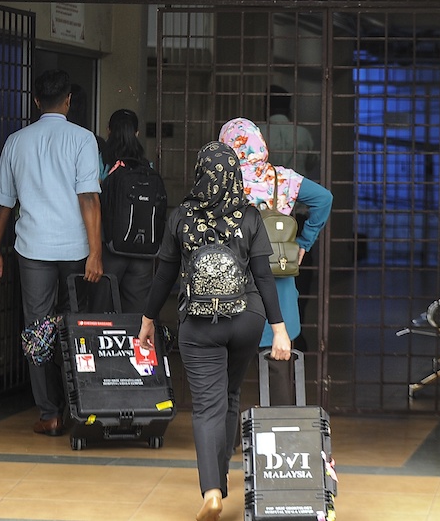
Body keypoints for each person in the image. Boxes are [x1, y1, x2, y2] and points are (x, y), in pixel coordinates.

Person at [137, 142, 291, 521]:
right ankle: (221, 472)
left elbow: (165, 276)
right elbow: (264, 277)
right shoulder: (250, 216)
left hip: (200, 323)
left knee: (207, 406)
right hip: (247, 320)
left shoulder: (181, 217)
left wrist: (148, 319)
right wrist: (280, 330)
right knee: (231, 392)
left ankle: (213, 492)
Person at [0, 69, 104, 437]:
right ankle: (80, 406)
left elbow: (3, 203)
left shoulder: (16, 142)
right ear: (68, 100)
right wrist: (96, 253)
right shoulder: (83, 140)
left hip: (32, 249)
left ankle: (49, 413)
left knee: (37, 329)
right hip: (75, 250)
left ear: (36, 101)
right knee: (76, 325)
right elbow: (89, 199)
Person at [218, 117, 332, 355]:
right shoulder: (283, 178)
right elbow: (324, 199)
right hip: (276, 272)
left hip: (235, 277)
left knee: (229, 365)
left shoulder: (223, 180)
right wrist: (304, 242)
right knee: (278, 356)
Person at [93, 108, 157, 313]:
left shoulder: (103, 161)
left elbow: (93, 199)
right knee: (138, 318)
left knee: (100, 313)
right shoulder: (148, 167)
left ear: (108, 130)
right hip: (144, 252)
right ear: (137, 133)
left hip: (109, 248)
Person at [263, 84, 317, 176]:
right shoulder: (303, 133)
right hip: (298, 187)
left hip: (267, 188)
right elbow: (311, 163)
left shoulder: (257, 133)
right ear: (289, 110)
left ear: (266, 109)